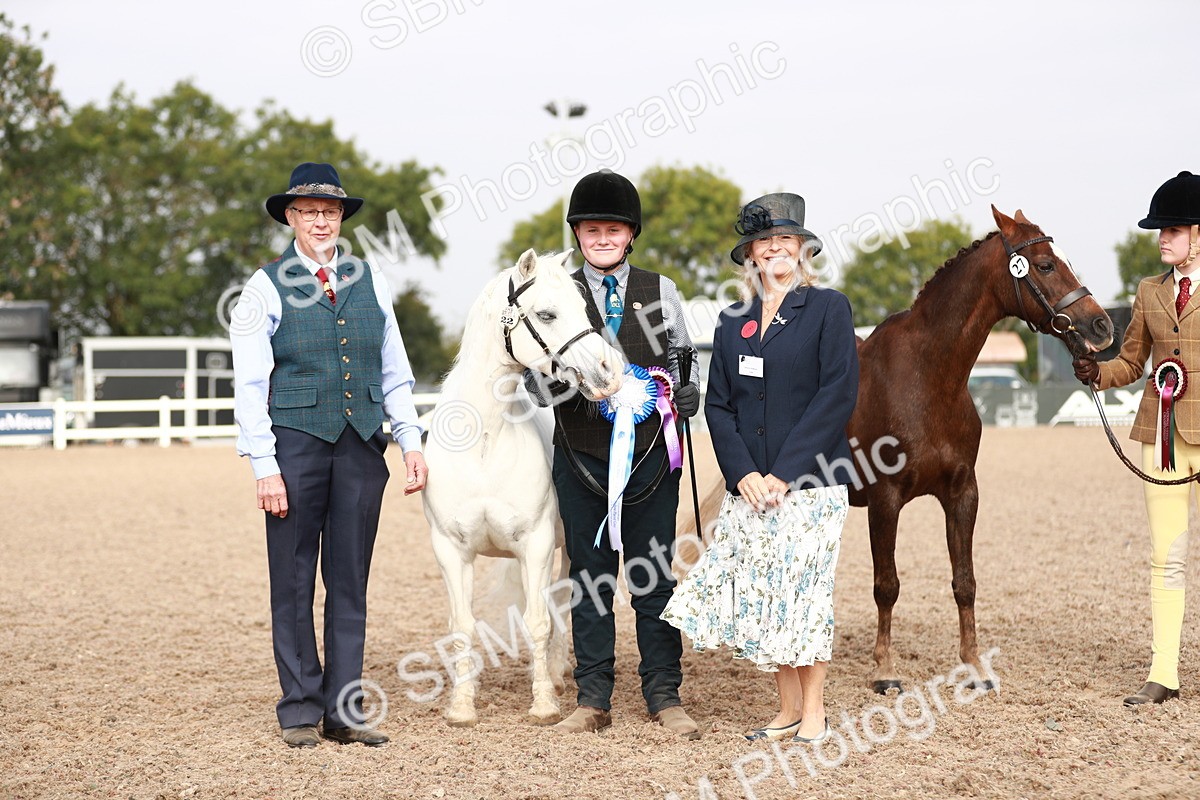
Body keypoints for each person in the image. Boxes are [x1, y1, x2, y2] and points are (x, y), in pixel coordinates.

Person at [231, 162, 427, 748]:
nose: (321, 221)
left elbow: (393, 369)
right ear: (290, 217)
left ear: (342, 218)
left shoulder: (373, 280)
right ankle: (298, 706)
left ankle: (344, 711)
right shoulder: (262, 286)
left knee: (349, 581)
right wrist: (264, 465)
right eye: (309, 212)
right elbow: (247, 385)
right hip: (294, 443)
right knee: (293, 580)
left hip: (363, 444)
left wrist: (410, 439)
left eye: (331, 212)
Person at [661, 193, 859, 743]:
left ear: (802, 248)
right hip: (749, 487)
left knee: (805, 592)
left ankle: (815, 710)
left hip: (812, 484)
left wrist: (784, 472)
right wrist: (743, 472)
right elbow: (720, 405)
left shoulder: (828, 308)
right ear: (750, 254)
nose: (775, 248)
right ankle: (787, 708)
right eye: (764, 241)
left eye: (785, 239)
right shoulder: (732, 322)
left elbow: (836, 396)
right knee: (768, 593)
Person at [534, 169, 703, 738]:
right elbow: (538, 373)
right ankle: (593, 698)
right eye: (591, 229)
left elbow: (683, 356)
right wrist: (560, 389)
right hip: (580, 455)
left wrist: (688, 391)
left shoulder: (661, 291)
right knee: (590, 577)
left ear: (630, 234)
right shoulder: (558, 287)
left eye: (613, 228)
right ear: (577, 235)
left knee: (654, 576)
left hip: (652, 457)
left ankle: (663, 693)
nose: (602, 237)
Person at [1072, 170, 1200, 706]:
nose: (1162, 238)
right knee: (1165, 556)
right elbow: (1131, 360)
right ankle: (1163, 673)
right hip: (1163, 433)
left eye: (1172, 229)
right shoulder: (1149, 291)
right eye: (1159, 230)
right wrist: (1097, 373)